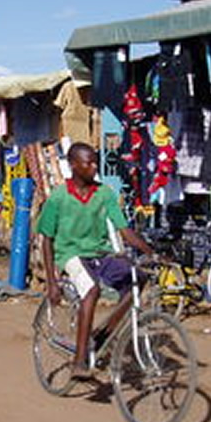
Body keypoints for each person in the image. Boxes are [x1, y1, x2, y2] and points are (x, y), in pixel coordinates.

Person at [38, 142, 154, 377]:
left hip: (100, 253)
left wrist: (151, 252)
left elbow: (125, 231)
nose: (93, 167)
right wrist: (51, 282)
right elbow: (46, 240)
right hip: (70, 255)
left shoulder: (104, 194)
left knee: (137, 279)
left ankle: (102, 335)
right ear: (73, 165)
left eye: (94, 162)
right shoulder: (58, 198)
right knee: (91, 290)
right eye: (87, 162)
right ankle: (79, 361)